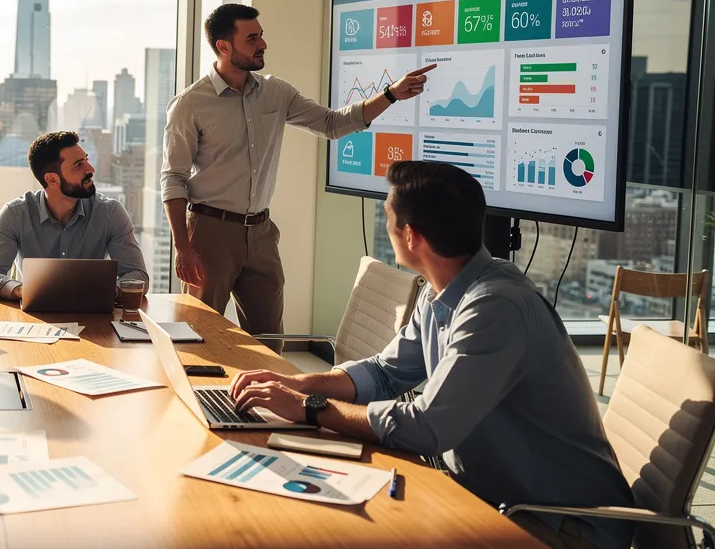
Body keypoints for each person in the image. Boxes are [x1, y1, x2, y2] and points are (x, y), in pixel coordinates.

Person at [228, 161, 634, 549]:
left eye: (388, 217)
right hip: (492, 496)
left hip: (561, 526)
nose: (385, 226)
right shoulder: (441, 289)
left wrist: (310, 408)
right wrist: (300, 383)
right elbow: (385, 374)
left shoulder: (495, 308)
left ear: (411, 237)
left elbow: (427, 427)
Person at [161, 3, 433, 336]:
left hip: (261, 233)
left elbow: (333, 124)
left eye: (261, 35)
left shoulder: (276, 92)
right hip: (209, 233)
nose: (262, 44)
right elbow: (173, 178)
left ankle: (261, 390)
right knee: (198, 337)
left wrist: (390, 95)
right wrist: (182, 247)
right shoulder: (190, 104)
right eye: (252, 38)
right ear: (223, 47)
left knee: (269, 338)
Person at [0, 130, 147, 300]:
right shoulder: (15, 214)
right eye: (78, 165)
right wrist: (20, 290)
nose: (91, 169)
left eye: (86, 160)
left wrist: (109, 290)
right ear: (52, 179)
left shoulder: (110, 213)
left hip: (94, 317)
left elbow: (138, 275)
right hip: (35, 320)